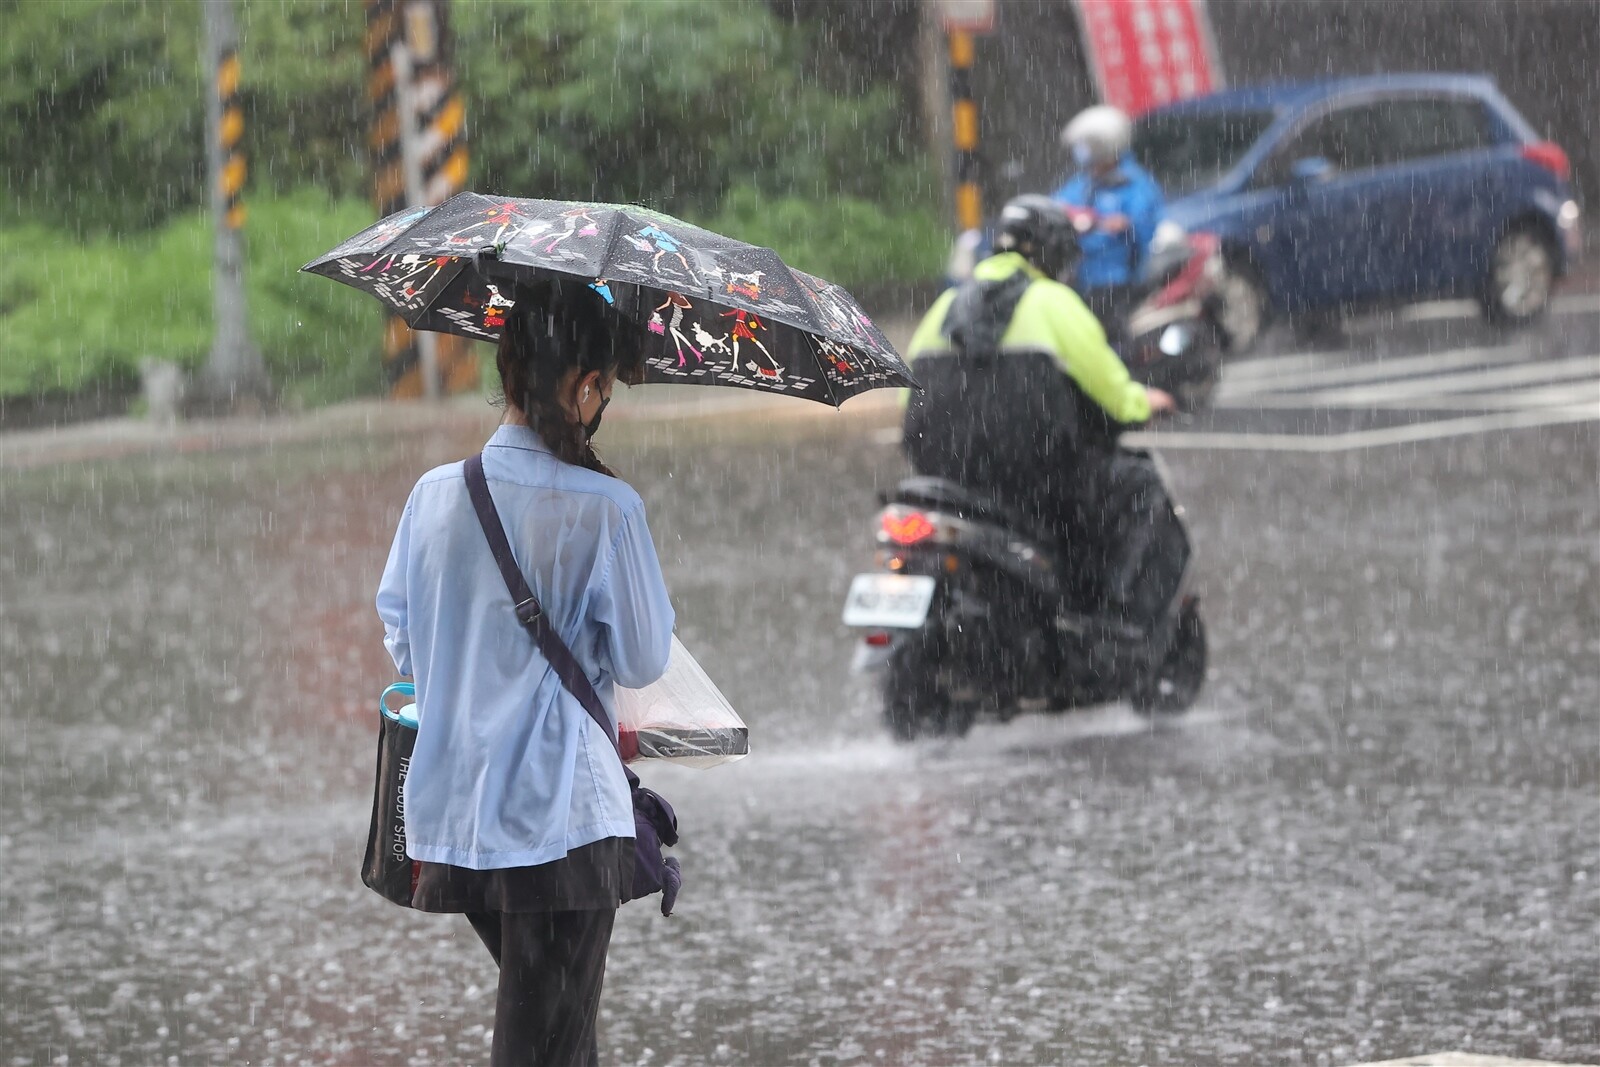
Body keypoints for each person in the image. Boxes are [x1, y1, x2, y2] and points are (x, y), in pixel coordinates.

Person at [375, 280, 674, 1066]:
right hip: (560, 822)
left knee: (555, 1039)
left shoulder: (433, 496)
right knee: (547, 1045)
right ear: (584, 387)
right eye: (604, 388)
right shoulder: (608, 509)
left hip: (460, 821)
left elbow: (406, 642)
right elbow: (644, 658)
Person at [902, 194, 1177, 623]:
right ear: (1055, 255)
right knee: (1139, 486)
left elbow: (909, 398)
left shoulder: (944, 307)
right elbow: (1112, 392)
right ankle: (1114, 615)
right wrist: (1146, 402)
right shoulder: (1053, 301)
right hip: (1032, 480)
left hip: (946, 479)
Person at [1053, 104, 1166, 338]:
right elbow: (1057, 206)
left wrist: (1111, 225)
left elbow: (1142, 223)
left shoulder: (1133, 183)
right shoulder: (1084, 184)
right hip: (1082, 279)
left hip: (1119, 279)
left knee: (1115, 337)